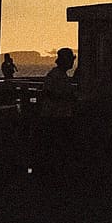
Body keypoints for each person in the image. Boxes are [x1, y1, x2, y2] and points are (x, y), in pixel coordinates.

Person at [35, 47, 78, 183]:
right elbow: (49, 94)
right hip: (56, 118)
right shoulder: (56, 76)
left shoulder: (57, 75)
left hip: (56, 117)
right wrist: (65, 97)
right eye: (70, 60)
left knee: (56, 149)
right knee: (57, 149)